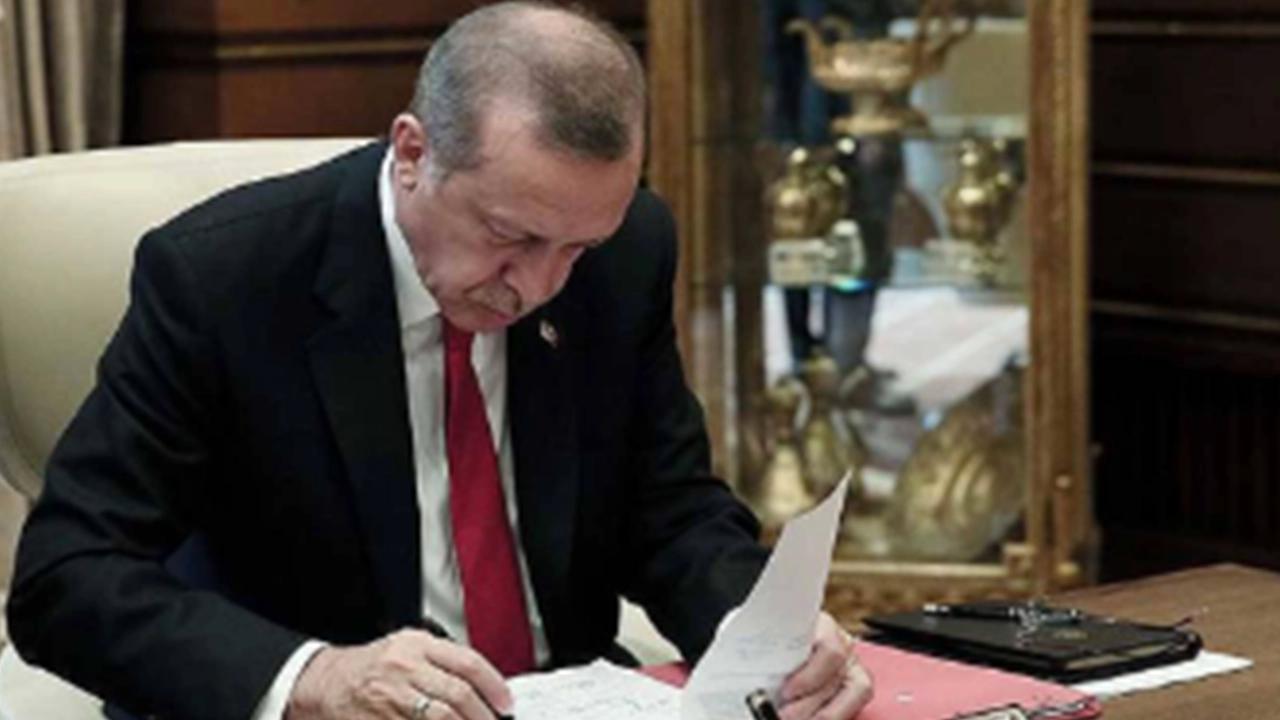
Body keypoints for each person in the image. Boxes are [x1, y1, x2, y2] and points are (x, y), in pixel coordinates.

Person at [7, 3, 873, 719]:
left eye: (576, 248)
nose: (538, 286)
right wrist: (313, 677)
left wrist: (761, 632)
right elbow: (67, 578)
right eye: (509, 236)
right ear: (413, 153)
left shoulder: (625, 251)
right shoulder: (225, 279)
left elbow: (671, 511)